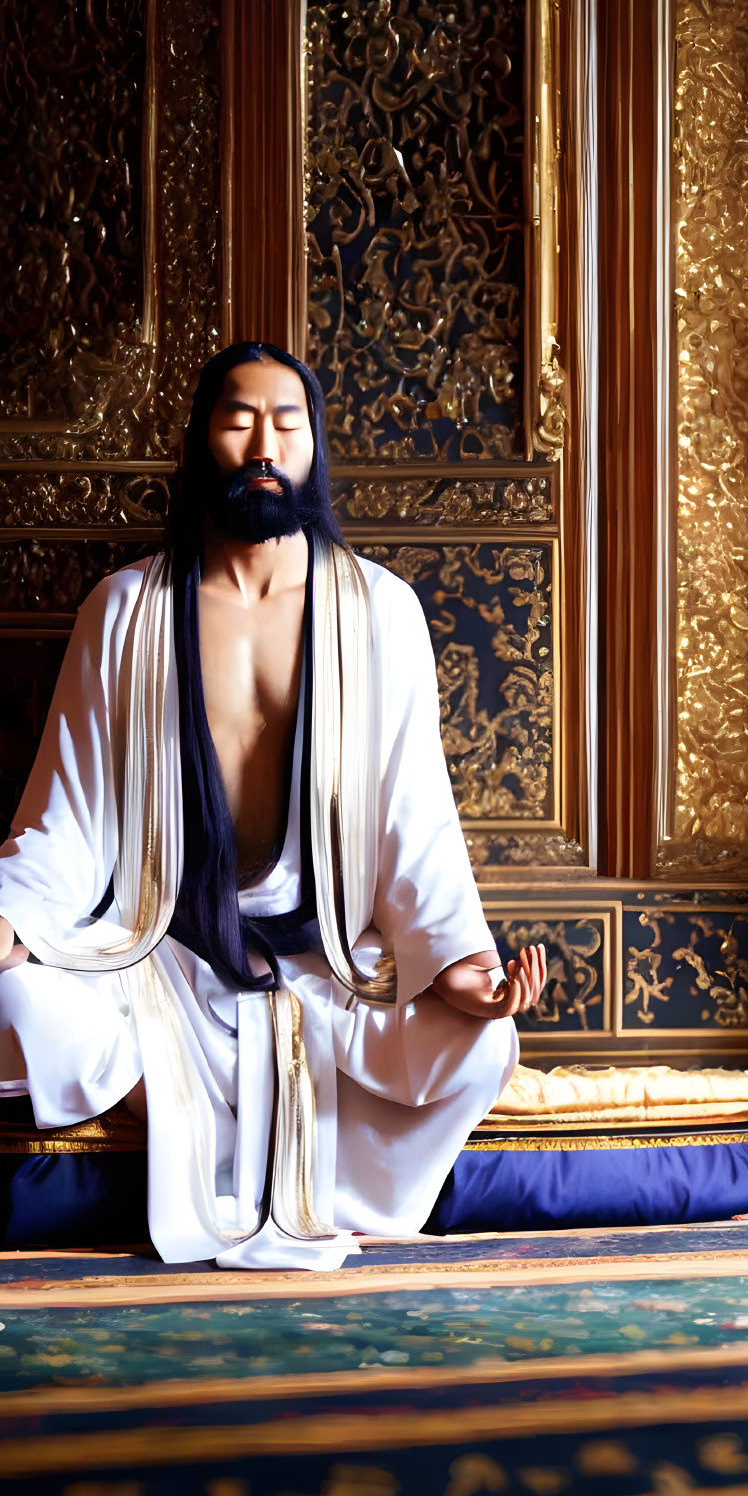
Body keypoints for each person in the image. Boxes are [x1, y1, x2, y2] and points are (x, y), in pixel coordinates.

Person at [0, 342, 545, 1270]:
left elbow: (413, 814)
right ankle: (199, 1126)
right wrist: (11, 919)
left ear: (311, 445)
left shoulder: (378, 609)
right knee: (18, 998)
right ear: (201, 441)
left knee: (475, 1047)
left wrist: (456, 965)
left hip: (325, 965)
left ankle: (243, 1150)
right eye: (238, 418)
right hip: (156, 960)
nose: (263, 442)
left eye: (285, 423)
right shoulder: (124, 610)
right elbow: (68, 813)